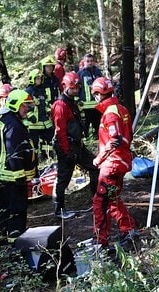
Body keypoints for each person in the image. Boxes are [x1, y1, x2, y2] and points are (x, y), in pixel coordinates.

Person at [90, 76, 139, 248]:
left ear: (98, 93)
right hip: (121, 161)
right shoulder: (121, 109)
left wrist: (99, 158)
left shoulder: (110, 113)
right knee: (113, 198)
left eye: (95, 94)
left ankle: (100, 241)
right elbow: (128, 136)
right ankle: (129, 229)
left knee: (100, 202)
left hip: (111, 164)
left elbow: (115, 139)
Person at [51, 71, 99, 219]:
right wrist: (67, 152)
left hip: (77, 145)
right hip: (66, 146)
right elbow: (60, 131)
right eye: (73, 88)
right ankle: (59, 210)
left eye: (77, 88)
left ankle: (98, 200)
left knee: (95, 166)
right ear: (65, 87)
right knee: (63, 178)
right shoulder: (60, 105)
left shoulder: (73, 103)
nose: (76, 90)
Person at [0, 89, 38, 241]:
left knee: (1, 209)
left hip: (2, 175)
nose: (27, 109)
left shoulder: (4, 119)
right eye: (25, 106)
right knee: (17, 210)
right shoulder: (15, 126)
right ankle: (15, 243)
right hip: (13, 177)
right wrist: (20, 177)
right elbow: (14, 152)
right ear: (16, 105)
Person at [25, 69, 55, 160]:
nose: (39, 80)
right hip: (34, 123)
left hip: (45, 121)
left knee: (47, 139)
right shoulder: (28, 91)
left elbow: (46, 102)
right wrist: (30, 115)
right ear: (32, 79)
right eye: (37, 78)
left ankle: (47, 155)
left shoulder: (43, 90)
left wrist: (49, 111)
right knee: (34, 142)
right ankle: (34, 158)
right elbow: (25, 106)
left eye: (40, 78)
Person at [77, 53, 104, 139]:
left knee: (97, 121)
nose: (90, 63)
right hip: (85, 104)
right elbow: (76, 88)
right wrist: (77, 100)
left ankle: (96, 135)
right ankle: (85, 137)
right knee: (85, 122)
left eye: (91, 61)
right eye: (88, 61)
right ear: (84, 62)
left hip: (97, 103)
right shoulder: (80, 74)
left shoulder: (98, 72)